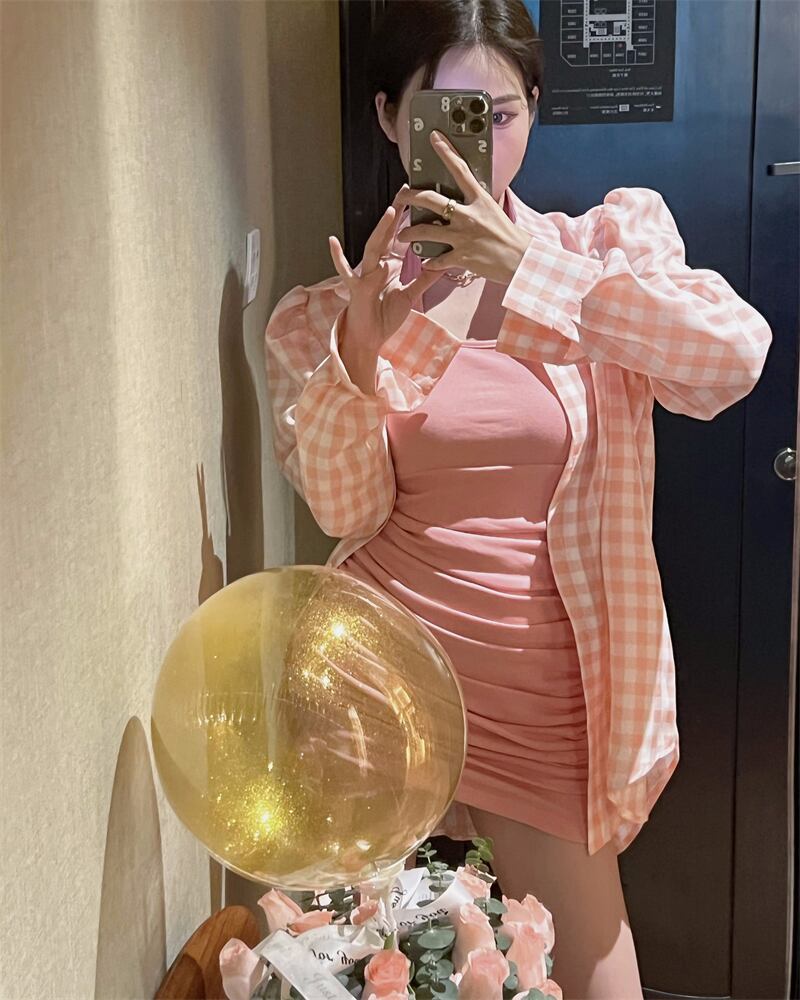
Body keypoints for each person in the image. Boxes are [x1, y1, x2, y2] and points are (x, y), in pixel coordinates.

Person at [263, 3, 772, 996]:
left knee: (594, 978)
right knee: (387, 975)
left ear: (534, 111)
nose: (474, 146)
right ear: (388, 117)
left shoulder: (603, 249)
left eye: (496, 115)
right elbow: (343, 511)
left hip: (545, 705)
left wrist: (530, 271)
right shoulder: (327, 312)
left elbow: (729, 360)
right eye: (443, 117)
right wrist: (361, 355)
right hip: (381, 691)